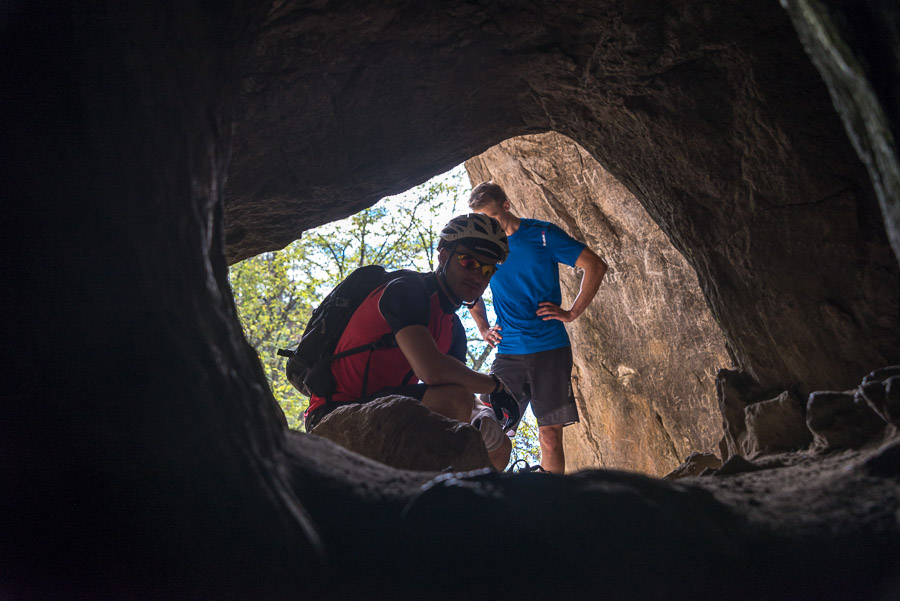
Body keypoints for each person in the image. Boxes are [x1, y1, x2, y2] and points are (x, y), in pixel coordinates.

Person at [303, 213, 517, 470]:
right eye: (468, 261)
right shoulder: (406, 289)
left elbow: (459, 386)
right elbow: (431, 370)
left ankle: (468, 505)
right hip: (336, 412)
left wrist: (484, 413)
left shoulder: (454, 329)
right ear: (443, 255)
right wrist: (496, 386)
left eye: (487, 269)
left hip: (390, 409)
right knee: (453, 401)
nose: (478, 275)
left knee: (500, 446)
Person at [468, 182, 608, 474]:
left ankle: (551, 505)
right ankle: (488, 498)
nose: (488, 226)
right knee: (489, 431)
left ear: (506, 205)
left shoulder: (543, 235)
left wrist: (571, 313)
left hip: (550, 350)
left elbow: (595, 265)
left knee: (550, 437)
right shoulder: (483, 246)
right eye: (482, 220)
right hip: (508, 355)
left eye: (491, 217)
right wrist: (482, 328)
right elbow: (470, 291)